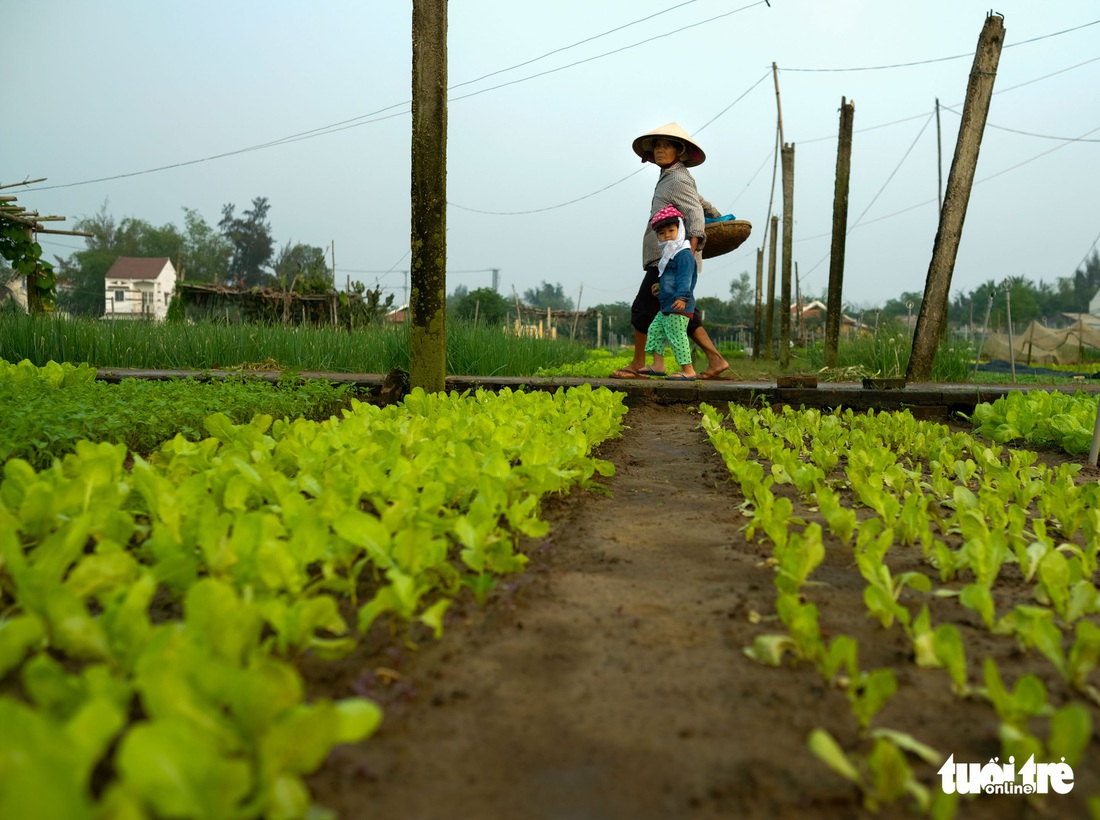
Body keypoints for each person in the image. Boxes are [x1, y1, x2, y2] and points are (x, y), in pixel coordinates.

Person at [611, 122, 730, 380]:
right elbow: (698, 201)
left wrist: (685, 256)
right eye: (657, 146)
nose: (660, 150)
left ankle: (640, 364)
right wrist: (718, 215)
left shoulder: (676, 178)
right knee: (682, 312)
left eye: (666, 146)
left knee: (643, 309)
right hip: (668, 257)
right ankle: (716, 359)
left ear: (679, 150)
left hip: (670, 259)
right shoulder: (673, 177)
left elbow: (695, 217)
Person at [640, 205, 697, 379]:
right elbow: (670, 278)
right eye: (662, 233)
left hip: (678, 304)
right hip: (667, 304)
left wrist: (682, 297)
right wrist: (660, 287)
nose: (667, 235)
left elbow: (685, 278)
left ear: (680, 230)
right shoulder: (669, 254)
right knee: (655, 331)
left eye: (671, 230)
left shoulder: (683, 254)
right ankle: (658, 365)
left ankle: (688, 371)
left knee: (677, 336)